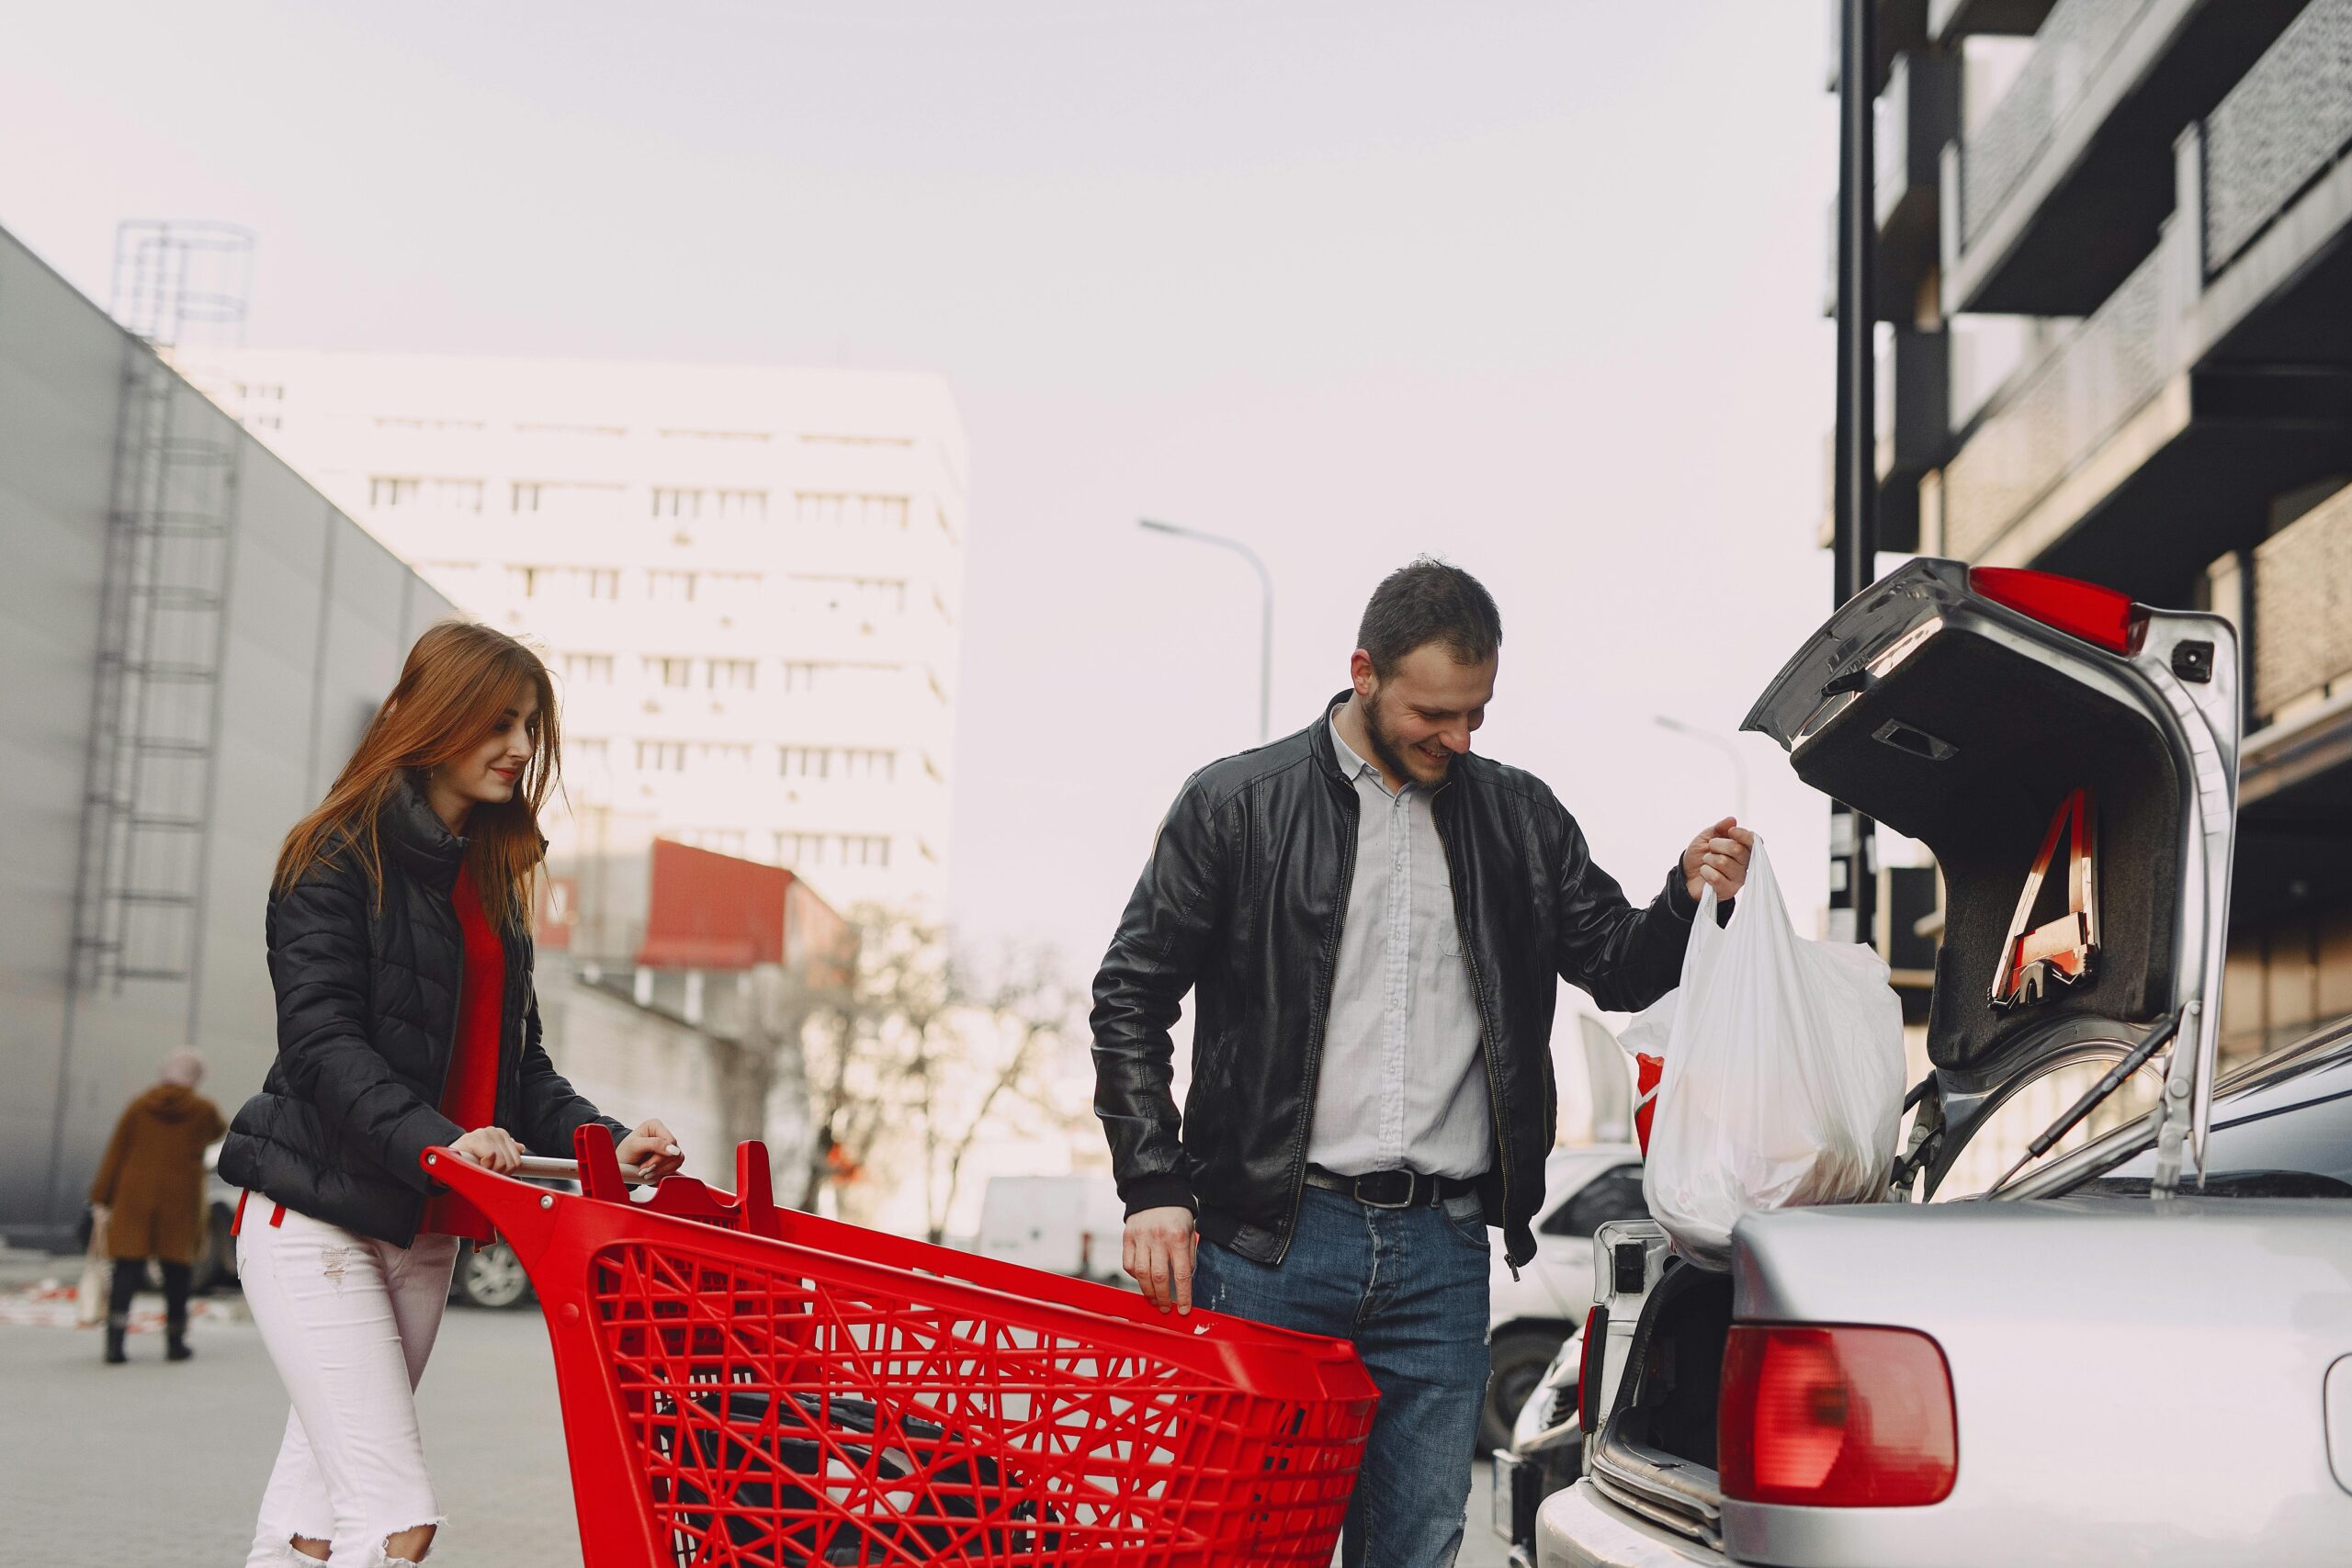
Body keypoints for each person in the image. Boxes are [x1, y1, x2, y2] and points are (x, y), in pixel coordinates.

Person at [1091, 557, 1752, 1567]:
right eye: (1434, 713)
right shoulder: (1236, 805)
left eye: (1476, 715)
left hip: (1439, 1256)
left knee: (1415, 1551)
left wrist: (1686, 892)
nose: (1457, 738)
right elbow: (1130, 993)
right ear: (1363, 672)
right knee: (1245, 1549)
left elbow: (1617, 965)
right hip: (1266, 1244)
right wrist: (1152, 1186)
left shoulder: (1519, 819)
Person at [219, 620, 685, 1568]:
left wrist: (609, 1142)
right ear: (433, 719)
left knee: (309, 1524)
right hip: (316, 1223)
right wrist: (440, 1137)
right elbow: (320, 1043)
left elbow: (522, 1071)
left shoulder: (490, 884)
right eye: (499, 723)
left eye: (528, 728)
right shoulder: (335, 856)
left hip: (425, 1229)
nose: (519, 748)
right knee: (394, 1522)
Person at [87, 1048, 227, 1364]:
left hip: (133, 1199)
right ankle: (175, 1343)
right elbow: (220, 1131)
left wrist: (101, 1198)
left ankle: (114, 1345)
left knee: (126, 1270)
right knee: (177, 1272)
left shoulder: (138, 1107)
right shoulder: (204, 1110)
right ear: (196, 1078)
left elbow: (116, 1153)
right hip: (180, 1201)